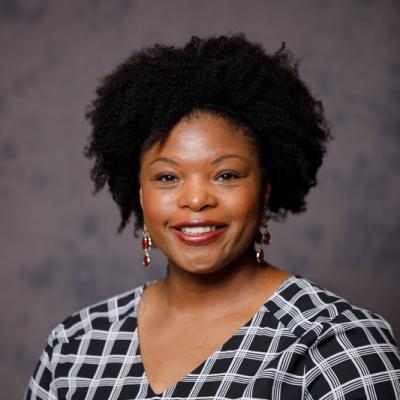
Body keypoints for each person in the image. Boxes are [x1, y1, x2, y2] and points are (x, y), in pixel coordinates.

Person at [25, 34, 400, 400]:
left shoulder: (333, 345)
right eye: (167, 177)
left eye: (226, 175)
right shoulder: (76, 345)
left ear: (265, 188)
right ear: (141, 193)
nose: (196, 199)